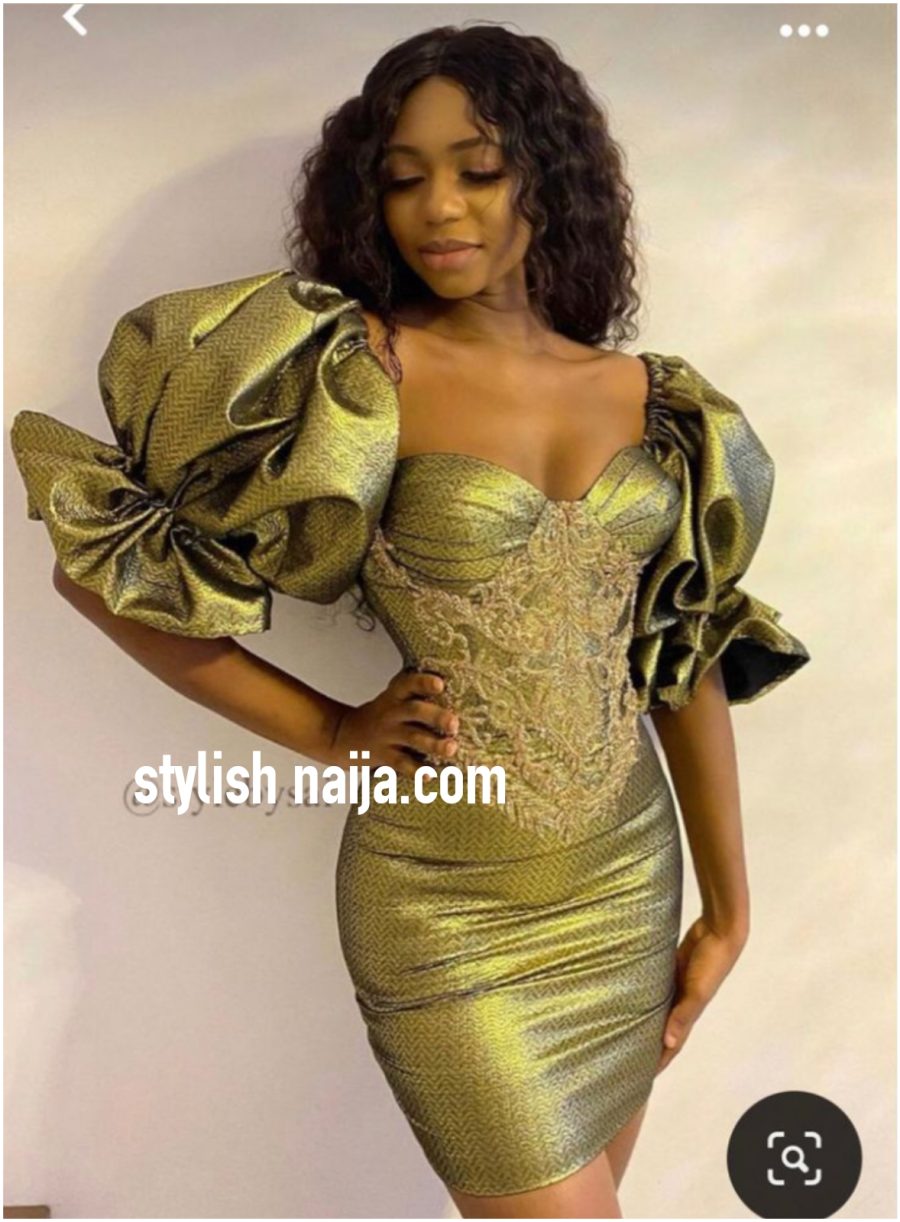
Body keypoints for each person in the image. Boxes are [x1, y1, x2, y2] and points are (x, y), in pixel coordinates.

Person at [9, 24, 811, 1220]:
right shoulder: (346, 374)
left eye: (478, 169)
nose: (438, 206)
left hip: (626, 880)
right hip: (444, 900)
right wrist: (331, 729)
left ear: (551, 176)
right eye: (401, 177)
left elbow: (680, 651)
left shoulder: (659, 403)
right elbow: (104, 564)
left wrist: (731, 908)